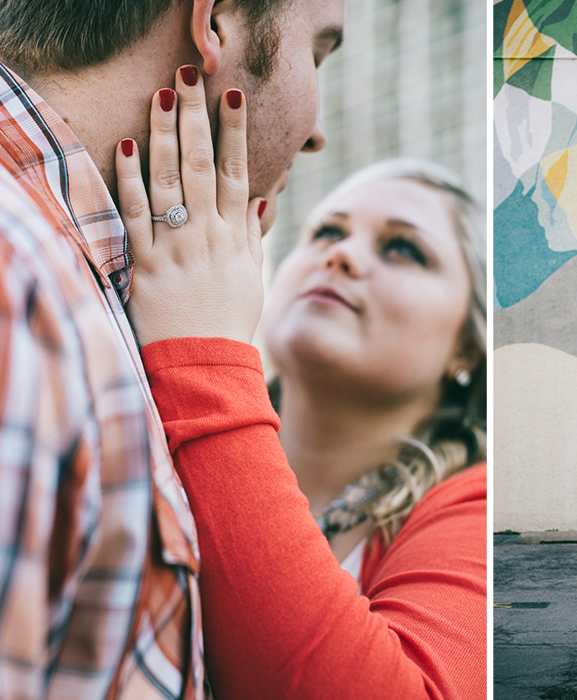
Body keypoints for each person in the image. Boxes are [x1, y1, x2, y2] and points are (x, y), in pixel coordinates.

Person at [0, 0, 341, 696]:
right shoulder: (23, 289)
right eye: (322, 53)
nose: (317, 137)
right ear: (214, 25)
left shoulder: (72, 289)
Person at [114, 75, 487, 698]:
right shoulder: (140, 408)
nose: (341, 257)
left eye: (402, 249)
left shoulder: (473, 502)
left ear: (465, 347)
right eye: (326, 233)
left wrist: (207, 356)